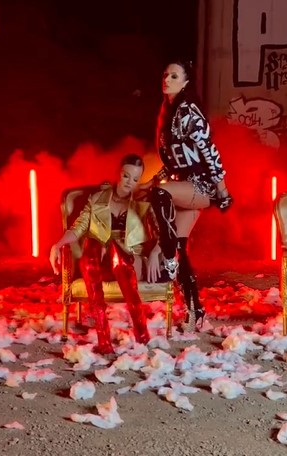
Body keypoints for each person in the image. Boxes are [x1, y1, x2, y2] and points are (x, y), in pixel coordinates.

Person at [141, 59, 232, 332]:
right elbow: (174, 163)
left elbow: (210, 152)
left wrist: (222, 190)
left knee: (160, 195)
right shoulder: (167, 113)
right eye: (165, 74)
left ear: (186, 82)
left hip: (201, 185)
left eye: (174, 76)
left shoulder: (189, 112)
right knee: (181, 247)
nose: (166, 79)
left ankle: (167, 253)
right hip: (183, 186)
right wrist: (151, 180)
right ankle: (195, 310)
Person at [49, 154, 162, 355]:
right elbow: (78, 228)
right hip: (98, 264)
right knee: (93, 247)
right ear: (119, 173)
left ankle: (141, 333)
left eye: (135, 179)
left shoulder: (143, 202)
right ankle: (104, 337)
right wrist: (57, 245)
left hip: (129, 261)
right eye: (126, 176)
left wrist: (155, 252)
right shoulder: (97, 199)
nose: (129, 182)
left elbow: (163, 233)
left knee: (115, 253)